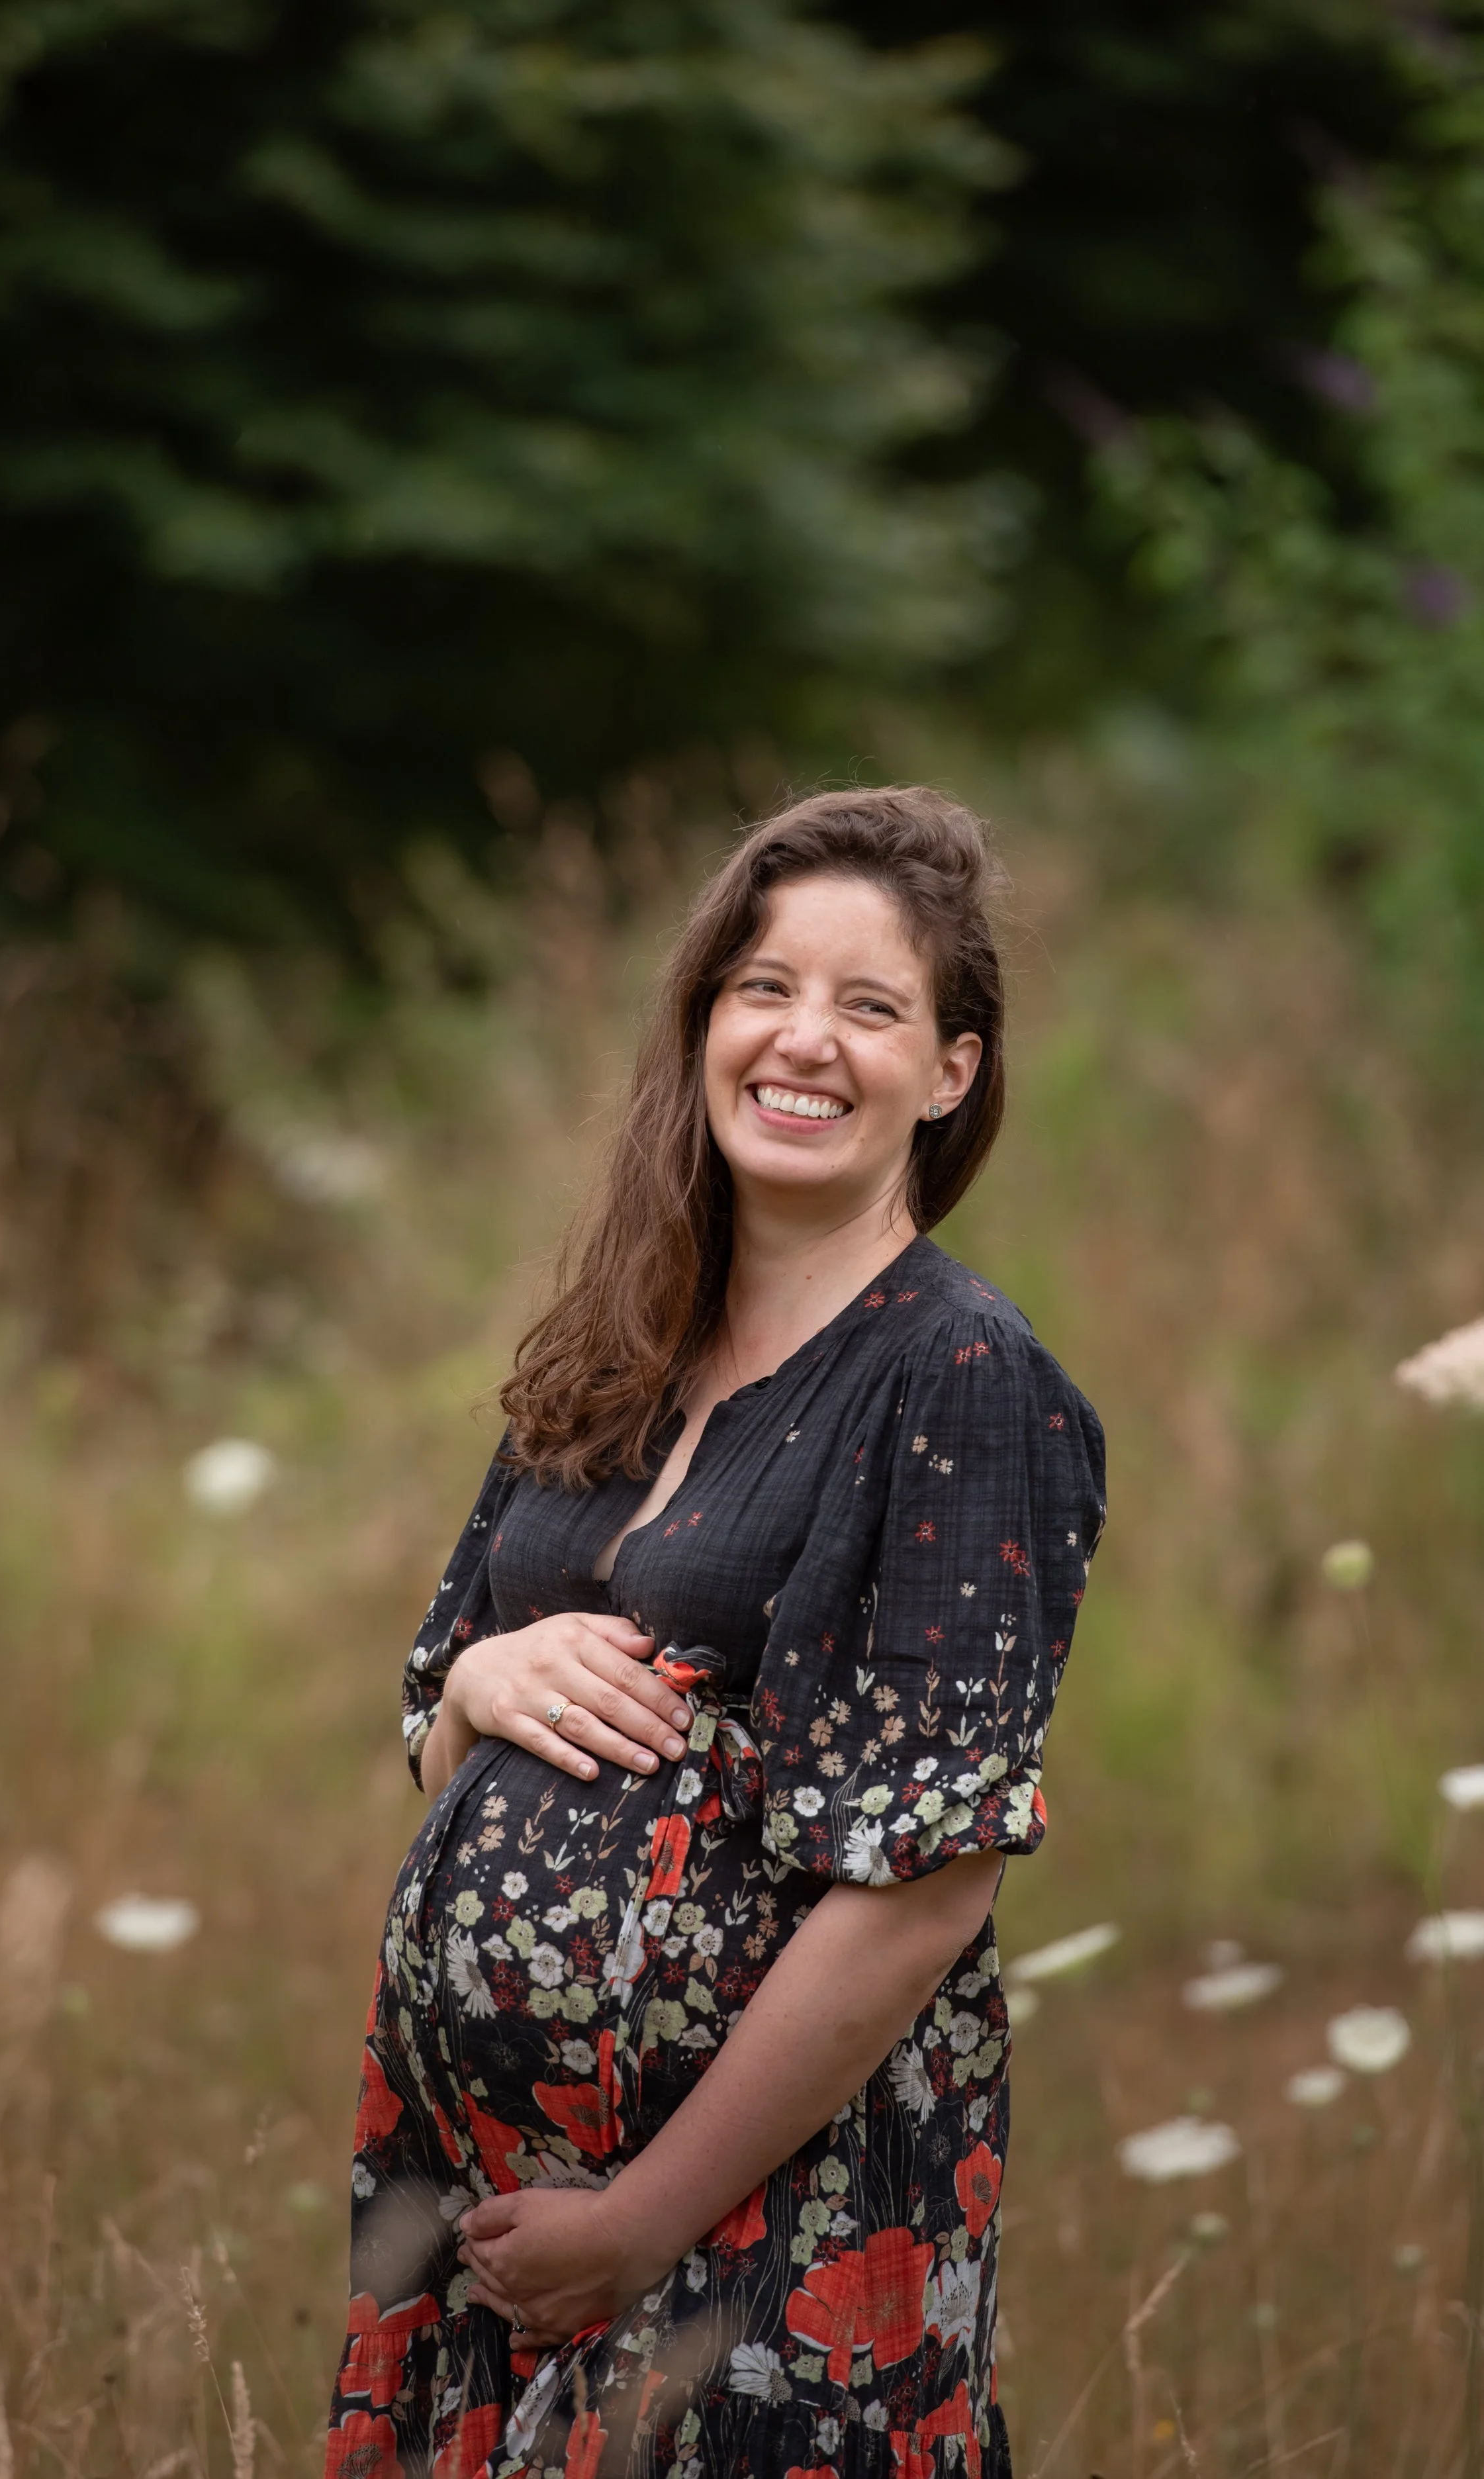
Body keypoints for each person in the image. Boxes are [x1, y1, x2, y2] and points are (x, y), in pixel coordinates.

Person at [324, 787, 1105, 2479]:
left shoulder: (956, 1377)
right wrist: (477, 1678)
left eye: (869, 1005)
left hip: (758, 2238)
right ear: (700, 1022)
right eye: (761, 986)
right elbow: (423, 1705)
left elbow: (925, 1882)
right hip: (487, 2212)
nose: (801, 1040)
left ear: (950, 1072)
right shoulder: (621, 1334)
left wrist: (640, 2221)